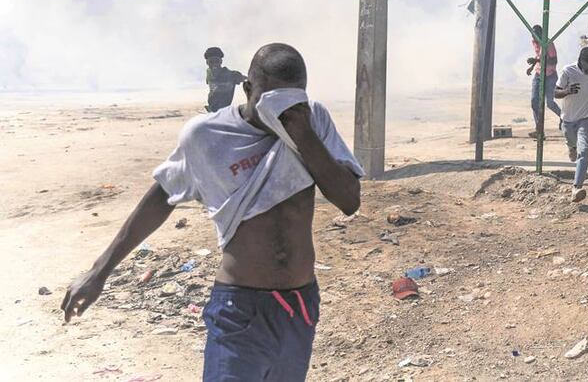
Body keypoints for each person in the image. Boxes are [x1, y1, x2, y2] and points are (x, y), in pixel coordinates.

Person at [62, 44, 364, 381]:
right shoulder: (207, 136)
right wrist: (98, 272)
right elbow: (161, 197)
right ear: (249, 90)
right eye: (271, 99)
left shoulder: (312, 120)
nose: (282, 110)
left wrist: (303, 134)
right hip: (239, 310)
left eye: (291, 99)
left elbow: (349, 201)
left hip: (299, 306)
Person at [554, 46, 588, 203]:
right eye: (587, 68)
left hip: (587, 116)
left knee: (584, 151)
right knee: (573, 145)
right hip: (568, 119)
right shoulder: (567, 71)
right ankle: (571, 147)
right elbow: (555, 93)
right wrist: (567, 91)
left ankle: (576, 187)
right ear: (580, 62)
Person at [526, 24, 560, 139]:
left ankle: (563, 118)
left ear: (542, 34)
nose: (534, 38)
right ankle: (539, 130)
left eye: (536, 35)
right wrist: (532, 66)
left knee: (550, 103)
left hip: (550, 75)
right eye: (533, 35)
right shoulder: (534, 42)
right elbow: (538, 56)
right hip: (538, 74)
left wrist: (536, 60)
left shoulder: (548, 43)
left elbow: (553, 61)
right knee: (534, 101)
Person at [204, 46, 246, 113]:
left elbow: (246, 79)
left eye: (216, 61)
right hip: (212, 110)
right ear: (207, 63)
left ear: (221, 61)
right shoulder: (209, 72)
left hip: (223, 112)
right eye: (211, 62)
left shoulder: (232, 75)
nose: (214, 65)